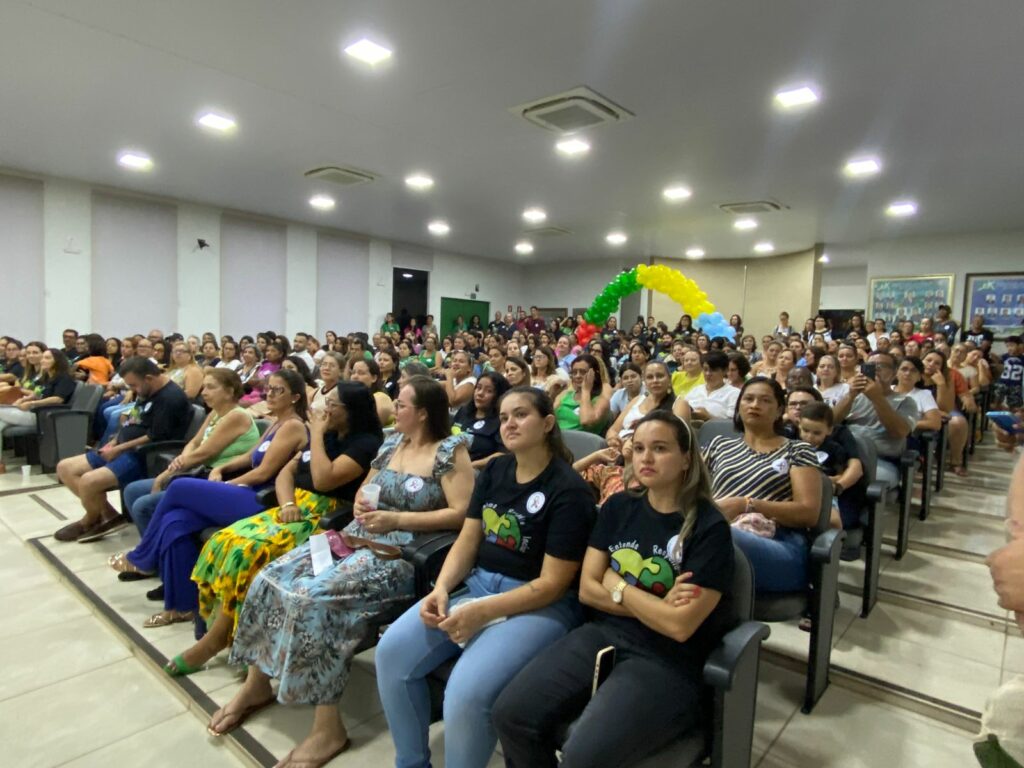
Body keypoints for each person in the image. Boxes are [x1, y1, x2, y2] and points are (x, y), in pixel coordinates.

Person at [207, 377, 473, 766]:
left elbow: (462, 513)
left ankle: (327, 727)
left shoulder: (449, 451)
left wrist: (397, 517)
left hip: (403, 552)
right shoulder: (391, 443)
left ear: (423, 413)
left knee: (315, 600)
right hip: (358, 535)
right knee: (270, 577)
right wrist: (365, 507)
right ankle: (256, 683)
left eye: (401, 405)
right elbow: (366, 489)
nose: (393, 409)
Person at [493, 411, 734, 768]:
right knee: (510, 714)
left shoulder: (709, 528)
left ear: (687, 458)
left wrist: (617, 583)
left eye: (660, 448)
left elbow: (679, 626)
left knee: (581, 757)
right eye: (638, 448)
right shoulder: (620, 506)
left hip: (666, 661)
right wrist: (655, 604)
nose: (646, 458)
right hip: (604, 633)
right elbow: (589, 590)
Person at [375, 386, 596, 768]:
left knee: (464, 692)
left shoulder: (568, 490)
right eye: (504, 416)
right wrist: (441, 588)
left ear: (547, 423)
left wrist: (480, 612)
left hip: (541, 607)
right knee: (391, 652)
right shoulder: (495, 469)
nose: (509, 423)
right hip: (479, 585)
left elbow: (552, 585)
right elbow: (468, 538)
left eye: (521, 415)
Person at [162, 383, 385, 676]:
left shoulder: (365, 443)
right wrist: (287, 502)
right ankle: (224, 634)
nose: (323, 409)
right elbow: (286, 473)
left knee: (251, 551)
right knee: (224, 540)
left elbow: (323, 480)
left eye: (331, 404)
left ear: (350, 411)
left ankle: (227, 641)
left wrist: (315, 434)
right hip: (292, 506)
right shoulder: (327, 434)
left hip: (325, 517)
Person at [116, 369, 309, 629]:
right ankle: (181, 607)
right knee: (176, 522)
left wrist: (229, 483)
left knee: (180, 487)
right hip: (244, 489)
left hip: (261, 499)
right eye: (268, 388)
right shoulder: (277, 422)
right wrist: (221, 468)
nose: (269, 394)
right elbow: (251, 455)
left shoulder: (294, 425)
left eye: (278, 390)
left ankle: (142, 556)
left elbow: (264, 472)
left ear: (295, 397)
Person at [55, 357, 192, 542]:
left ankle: (90, 520)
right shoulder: (146, 391)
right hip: (123, 447)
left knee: (88, 481)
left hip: (142, 455)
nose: (132, 390)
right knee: (65, 468)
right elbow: (133, 420)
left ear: (149, 378)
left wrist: (119, 448)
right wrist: (115, 439)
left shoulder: (170, 398)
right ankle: (109, 516)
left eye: (133, 385)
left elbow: (155, 436)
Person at [703, 377, 821, 592]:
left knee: (712, 535)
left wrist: (744, 504)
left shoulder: (798, 450)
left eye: (765, 400)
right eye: (748, 398)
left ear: (779, 411)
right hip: (718, 534)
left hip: (778, 544)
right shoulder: (719, 445)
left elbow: (809, 512)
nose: (755, 405)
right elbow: (689, 486)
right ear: (739, 406)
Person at [118, 369, 260, 537]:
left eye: (210, 387)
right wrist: (183, 458)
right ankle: (154, 546)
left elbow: (203, 453)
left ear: (229, 392)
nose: (204, 393)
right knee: (132, 490)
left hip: (223, 478)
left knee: (144, 505)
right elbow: (194, 442)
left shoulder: (236, 416)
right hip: (201, 471)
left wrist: (163, 476)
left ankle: (154, 554)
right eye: (203, 387)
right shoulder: (216, 412)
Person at [832, 352, 919, 487]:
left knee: (855, 481)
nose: (876, 369)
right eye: (871, 366)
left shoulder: (906, 401)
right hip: (845, 456)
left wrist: (876, 397)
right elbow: (830, 423)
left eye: (882, 366)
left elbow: (899, 432)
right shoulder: (854, 396)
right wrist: (850, 395)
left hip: (880, 460)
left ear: (894, 373)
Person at [0, 349, 76, 474]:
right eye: (43, 358)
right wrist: (26, 399)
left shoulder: (63, 378)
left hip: (43, 416)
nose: (42, 360)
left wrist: (32, 403)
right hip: (34, 412)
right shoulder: (47, 377)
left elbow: (58, 399)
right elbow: (38, 393)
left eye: (47, 358)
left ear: (57, 361)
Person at [797, 402, 865, 535]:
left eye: (817, 433)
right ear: (799, 425)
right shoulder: (792, 445)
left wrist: (823, 481)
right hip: (795, 489)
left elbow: (841, 475)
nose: (809, 437)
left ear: (829, 430)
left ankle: (831, 548)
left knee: (833, 521)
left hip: (825, 491)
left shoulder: (835, 450)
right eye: (805, 430)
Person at [923, 350, 975, 475]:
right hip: (919, 412)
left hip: (941, 412)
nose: (931, 364)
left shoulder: (949, 376)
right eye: (928, 360)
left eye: (937, 363)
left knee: (958, 422)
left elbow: (945, 407)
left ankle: (955, 462)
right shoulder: (912, 373)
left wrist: (941, 384)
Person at [606, 360, 675, 449]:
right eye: (650, 377)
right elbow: (613, 430)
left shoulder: (678, 404)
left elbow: (674, 441)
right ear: (645, 381)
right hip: (620, 450)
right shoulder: (637, 400)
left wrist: (632, 443)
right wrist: (613, 439)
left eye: (660, 376)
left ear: (669, 379)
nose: (655, 380)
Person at [452, 371, 511, 468]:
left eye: (489, 391)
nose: (480, 393)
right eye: (478, 388)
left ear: (499, 396)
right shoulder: (464, 411)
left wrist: (469, 466)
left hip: (479, 470)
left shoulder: (501, 420)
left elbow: (503, 454)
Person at [673, 350, 739, 423]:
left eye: (713, 370)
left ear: (725, 371)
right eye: (705, 369)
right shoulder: (696, 390)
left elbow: (732, 425)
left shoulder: (734, 393)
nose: (708, 374)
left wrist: (708, 417)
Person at [554, 354, 611, 435]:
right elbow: (549, 420)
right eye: (574, 372)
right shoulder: (564, 395)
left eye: (583, 372)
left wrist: (586, 391)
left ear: (595, 374)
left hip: (582, 444)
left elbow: (586, 421)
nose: (577, 376)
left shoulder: (601, 401)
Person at [350, 357, 395, 426]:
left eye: (361, 373)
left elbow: (371, 427)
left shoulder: (380, 397)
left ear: (374, 378)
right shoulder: (353, 398)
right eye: (353, 373)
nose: (355, 376)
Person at [993, 336, 1024, 411]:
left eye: (1012, 345)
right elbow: (997, 363)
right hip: (1002, 383)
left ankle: (1012, 419)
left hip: (1016, 385)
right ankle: (997, 418)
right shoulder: (1004, 357)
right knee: (996, 401)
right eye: (1008, 346)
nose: (1010, 348)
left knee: (1014, 406)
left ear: (1019, 346)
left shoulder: (1023, 358)